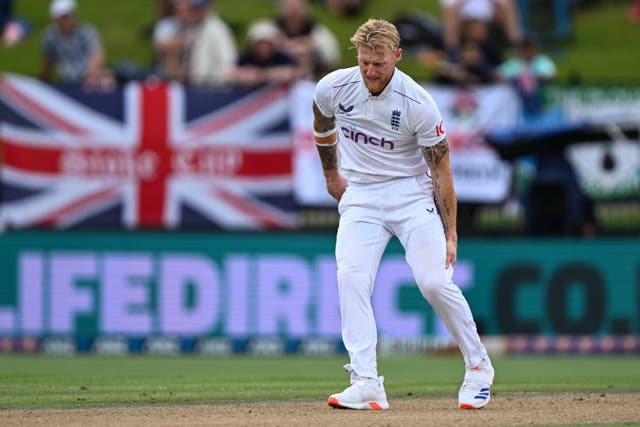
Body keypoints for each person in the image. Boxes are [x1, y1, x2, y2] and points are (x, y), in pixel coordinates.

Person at [312, 18, 494, 411]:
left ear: (396, 56)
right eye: (363, 62)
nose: (370, 71)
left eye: (378, 63)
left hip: (411, 195)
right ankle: (366, 381)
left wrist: (451, 233)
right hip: (360, 194)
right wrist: (331, 175)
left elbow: (441, 171)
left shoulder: (417, 104)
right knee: (351, 277)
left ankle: (478, 365)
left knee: (433, 282)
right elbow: (321, 122)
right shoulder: (334, 86)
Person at [40, 0, 114, 90]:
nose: (64, 21)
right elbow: (48, 60)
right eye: (61, 17)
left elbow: (98, 54)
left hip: (89, 76)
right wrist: (43, 80)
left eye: (66, 17)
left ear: (74, 14)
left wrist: (90, 72)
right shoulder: (50, 37)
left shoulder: (87, 31)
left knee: (106, 80)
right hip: (68, 79)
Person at [275, 0, 341, 80]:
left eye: (297, 7)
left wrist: (311, 46)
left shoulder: (317, 30)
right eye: (289, 7)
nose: (293, 11)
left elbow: (332, 57)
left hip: (313, 77)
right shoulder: (271, 27)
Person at [227, 19, 300, 88]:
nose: (263, 48)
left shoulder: (284, 58)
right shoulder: (246, 58)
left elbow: (292, 73)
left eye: (267, 44)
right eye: (259, 44)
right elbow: (230, 75)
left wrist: (261, 75)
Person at [187, 0, 238, 87]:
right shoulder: (197, 27)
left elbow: (228, 60)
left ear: (207, 8)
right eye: (194, 9)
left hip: (214, 87)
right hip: (199, 86)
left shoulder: (218, 29)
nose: (195, 12)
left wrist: (217, 83)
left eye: (199, 8)